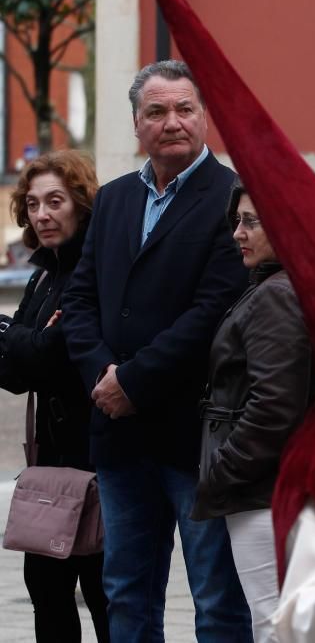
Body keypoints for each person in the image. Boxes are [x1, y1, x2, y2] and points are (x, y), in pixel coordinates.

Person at [61, 59, 252, 642]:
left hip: (193, 436)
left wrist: (134, 383)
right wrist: (102, 375)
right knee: (126, 593)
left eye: (184, 109)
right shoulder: (116, 199)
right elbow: (81, 296)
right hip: (119, 437)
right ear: (136, 123)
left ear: (203, 117)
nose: (172, 122)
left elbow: (214, 311)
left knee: (217, 598)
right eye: (157, 111)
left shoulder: (232, 198)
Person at [190, 183, 315, 641]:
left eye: (251, 222)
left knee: (274, 626)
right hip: (259, 488)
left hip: (260, 493)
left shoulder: (276, 295)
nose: (238, 234)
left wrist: (222, 471)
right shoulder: (270, 286)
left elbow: (274, 406)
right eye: (236, 222)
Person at [0, 151, 108, 642]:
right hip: (50, 462)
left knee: (107, 597)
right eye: (33, 203)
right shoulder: (44, 273)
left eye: (55, 201)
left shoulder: (98, 269)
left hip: (102, 461)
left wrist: (18, 336)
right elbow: (17, 372)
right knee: (45, 592)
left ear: (82, 204)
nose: (42, 214)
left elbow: (49, 356)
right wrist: (26, 337)